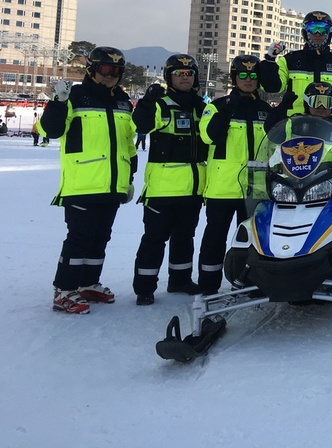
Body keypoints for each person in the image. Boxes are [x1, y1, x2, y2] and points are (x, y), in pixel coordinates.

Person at [39, 46, 137, 314]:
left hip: (113, 183)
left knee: (100, 237)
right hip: (82, 182)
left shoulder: (122, 101)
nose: (110, 76)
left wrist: (129, 177)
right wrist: (57, 102)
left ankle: (88, 283)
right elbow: (51, 129)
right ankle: (64, 289)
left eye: (116, 71)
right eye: (106, 69)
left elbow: (128, 142)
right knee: (79, 238)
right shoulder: (75, 96)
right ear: (92, 69)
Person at [131, 55, 208, 305]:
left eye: (189, 73)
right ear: (169, 77)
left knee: (185, 238)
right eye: (179, 73)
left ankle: (180, 280)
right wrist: (146, 101)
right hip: (163, 188)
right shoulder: (160, 104)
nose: (185, 77)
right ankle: (144, 287)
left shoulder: (201, 106)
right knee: (154, 240)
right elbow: (141, 124)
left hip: (194, 187)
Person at [197, 54, 272, 295]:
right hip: (223, 186)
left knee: (253, 240)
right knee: (215, 238)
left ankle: (249, 282)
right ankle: (208, 284)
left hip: (255, 188)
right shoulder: (216, 106)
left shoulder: (264, 110)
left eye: (253, 76)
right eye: (243, 75)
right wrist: (226, 113)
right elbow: (209, 137)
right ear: (234, 78)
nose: (248, 80)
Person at [259, 10, 332, 119]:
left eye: (322, 29)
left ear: (329, 33)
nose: (317, 34)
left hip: (328, 125)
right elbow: (272, 88)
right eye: (313, 28)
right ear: (305, 31)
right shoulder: (290, 60)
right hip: (295, 124)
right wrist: (270, 60)